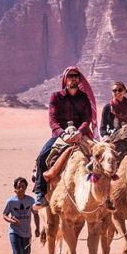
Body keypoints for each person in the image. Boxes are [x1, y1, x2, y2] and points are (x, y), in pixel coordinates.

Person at [32, 66, 98, 208]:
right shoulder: (56, 97)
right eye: (70, 76)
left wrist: (80, 132)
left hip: (80, 134)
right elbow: (53, 120)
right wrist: (63, 134)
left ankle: (106, 196)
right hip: (61, 135)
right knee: (43, 157)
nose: (73, 78)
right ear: (65, 79)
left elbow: (87, 119)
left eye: (76, 76)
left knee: (101, 155)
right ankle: (40, 192)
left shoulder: (84, 97)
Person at [2, 177, 40, 254]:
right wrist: (11, 220)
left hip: (27, 233)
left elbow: (36, 214)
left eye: (23, 187)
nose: (21, 189)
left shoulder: (30, 200)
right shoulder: (11, 202)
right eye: (19, 187)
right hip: (14, 232)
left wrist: (38, 228)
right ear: (15, 189)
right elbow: (4, 215)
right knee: (17, 253)